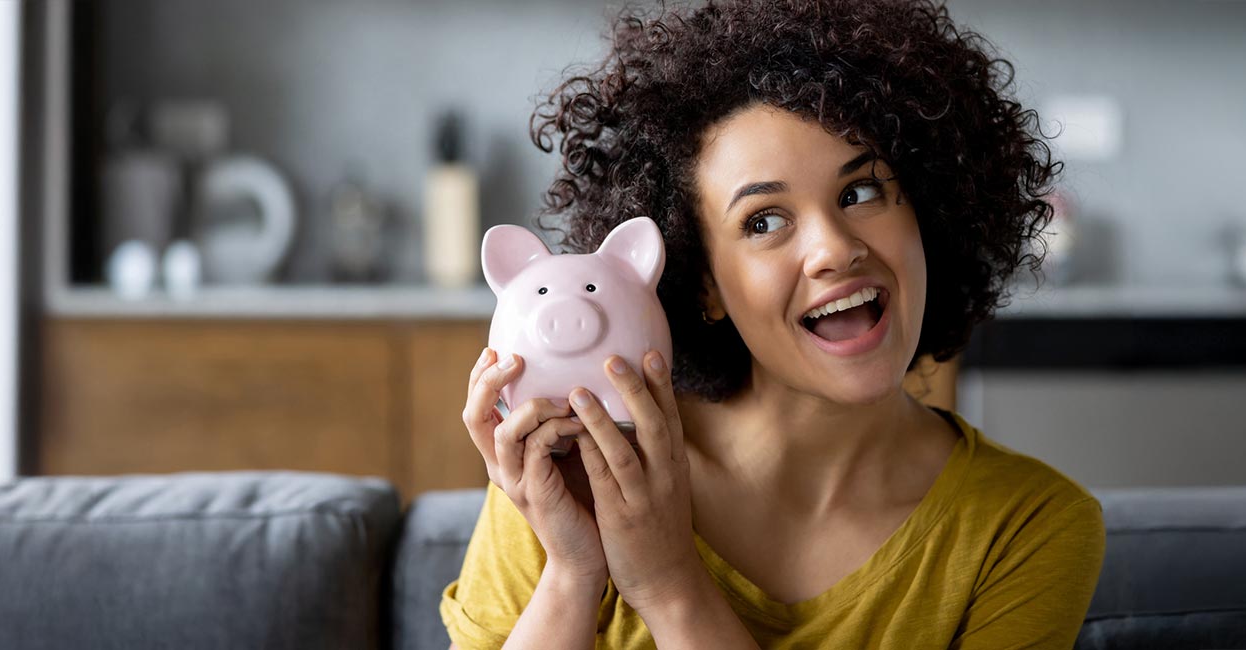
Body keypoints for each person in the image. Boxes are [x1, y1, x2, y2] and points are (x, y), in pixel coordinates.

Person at [443, 0, 1103, 647]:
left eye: (861, 192)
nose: (835, 248)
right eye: (763, 221)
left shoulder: (1028, 527)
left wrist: (670, 585)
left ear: (928, 213)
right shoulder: (580, 465)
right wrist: (572, 573)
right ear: (704, 284)